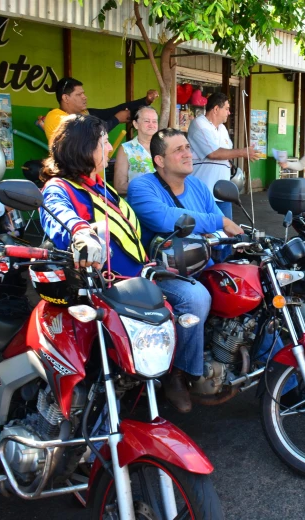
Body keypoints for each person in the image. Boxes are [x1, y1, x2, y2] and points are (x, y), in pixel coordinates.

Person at [38, 116, 205, 414]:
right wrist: (79, 231)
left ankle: (176, 372)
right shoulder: (59, 187)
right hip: (104, 287)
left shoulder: (103, 188)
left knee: (197, 294)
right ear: (83, 147)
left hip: (141, 278)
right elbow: (56, 213)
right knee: (192, 297)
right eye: (103, 143)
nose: (109, 149)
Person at [127, 128, 245, 412]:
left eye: (188, 148)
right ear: (159, 160)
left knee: (246, 283)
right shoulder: (142, 187)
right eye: (178, 150)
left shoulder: (199, 188)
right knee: (196, 299)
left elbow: (216, 232)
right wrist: (218, 221)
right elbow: (164, 217)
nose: (187, 154)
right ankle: (178, 373)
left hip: (202, 263)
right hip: (161, 272)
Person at [187, 92, 261, 219]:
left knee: (227, 234)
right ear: (216, 109)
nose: (229, 112)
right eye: (226, 108)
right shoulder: (199, 124)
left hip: (223, 193)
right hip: (203, 193)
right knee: (204, 233)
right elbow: (213, 153)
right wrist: (243, 152)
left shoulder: (222, 129)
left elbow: (226, 152)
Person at [42, 76, 159, 142]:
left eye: (84, 93)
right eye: (79, 94)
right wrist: (117, 119)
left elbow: (113, 111)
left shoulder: (84, 113)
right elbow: (89, 133)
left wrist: (145, 101)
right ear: (65, 98)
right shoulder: (55, 116)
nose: (84, 97)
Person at [113, 106, 158, 195]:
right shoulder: (126, 149)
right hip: (139, 202)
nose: (151, 124)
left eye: (154, 121)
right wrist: (148, 189)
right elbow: (119, 186)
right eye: (146, 121)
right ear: (135, 124)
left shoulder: (165, 146)